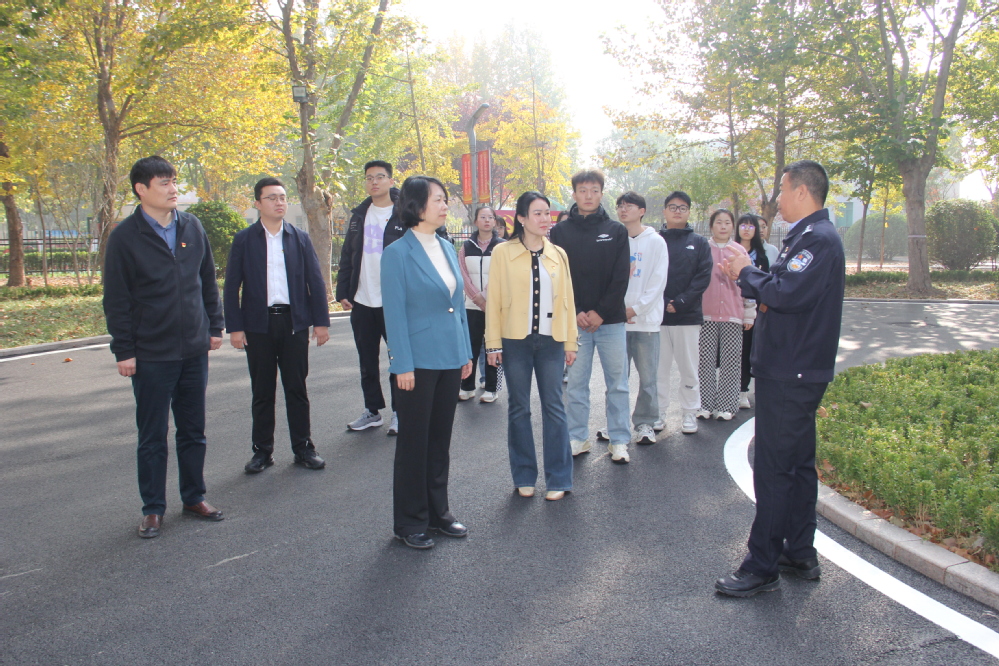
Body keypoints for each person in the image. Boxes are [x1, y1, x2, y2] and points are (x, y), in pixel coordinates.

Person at [715, 160, 845, 597]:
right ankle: (799, 551)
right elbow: (781, 286)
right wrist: (751, 276)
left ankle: (762, 564)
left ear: (803, 192)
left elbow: (785, 293)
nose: (779, 199)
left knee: (773, 467)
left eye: (784, 190)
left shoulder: (818, 239)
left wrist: (744, 271)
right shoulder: (806, 237)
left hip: (792, 368)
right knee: (798, 464)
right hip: (793, 365)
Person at [103, 156, 225, 539]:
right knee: (153, 436)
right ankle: (153, 509)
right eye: (164, 183)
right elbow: (117, 299)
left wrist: (215, 325)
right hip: (152, 354)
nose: (173, 189)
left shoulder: (192, 226)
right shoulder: (125, 237)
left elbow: (207, 280)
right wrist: (124, 350)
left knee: (193, 430)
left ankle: (194, 497)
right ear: (141, 189)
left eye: (174, 181)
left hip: (193, 349)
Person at [381, 175, 473, 550]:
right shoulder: (397, 253)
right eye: (438, 199)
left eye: (445, 199)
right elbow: (394, 314)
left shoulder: (447, 247)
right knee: (413, 444)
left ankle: (439, 513)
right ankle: (410, 521)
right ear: (416, 205)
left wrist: (465, 352)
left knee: (439, 441)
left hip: (450, 357)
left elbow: (458, 306)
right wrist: (401, 363)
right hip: (416, 363)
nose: (444, 205)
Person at [224, 177, 330, 474]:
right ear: (257, 204)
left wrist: (321, 322)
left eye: (282, 197)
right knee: (262, 391)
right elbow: (232, 285)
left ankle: (303, 448)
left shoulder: (299, 238)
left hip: (294, 323)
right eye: (271, 198)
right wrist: (235, 327)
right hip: (258, 325)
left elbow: (315, 281)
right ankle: (262, 451)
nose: (279, 202)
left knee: (297, 388)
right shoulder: (244, 240)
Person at [335, 160, 450, 436]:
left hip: (395, 301)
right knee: (367, 360)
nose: (374, 182)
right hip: (363, 300)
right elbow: (348, 254)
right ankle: (372, 410)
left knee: (398, 357)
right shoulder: (359, 215)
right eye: (369, 178)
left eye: (380, 177)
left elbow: (436, 242)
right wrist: (344, 291)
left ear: (390, 180)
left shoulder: (405, 211)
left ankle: (400, 411)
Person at [485, 191, 577, 501]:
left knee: (554, 407)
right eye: (537, 213)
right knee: (519, 408)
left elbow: (568, 300)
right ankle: (524, 475)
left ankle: (559, 478)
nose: (544, 219)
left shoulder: (559, 254)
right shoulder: (503, 252)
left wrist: (570, 341)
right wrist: (493, 344)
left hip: (551, 341)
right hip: (515, 341)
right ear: (522, 218)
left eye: (547, 213)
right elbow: (494, 301)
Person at [549, 170, 632, 464]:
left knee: (618, 383)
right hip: (575, 322)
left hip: (611, 321)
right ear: (574, 194)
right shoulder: (560, 232)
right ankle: (577, 437)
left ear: (601, 194)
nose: (588, 195)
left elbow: (621, 277)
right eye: (583, 190)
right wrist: (578, 311)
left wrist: (601, 312)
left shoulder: (616, 230)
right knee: (576, 383)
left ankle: (619, 440)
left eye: (594, 190)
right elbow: (558, 277)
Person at [596, 192, 668, 446]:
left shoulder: (656, 242)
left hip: (646, 321)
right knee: (616, 379)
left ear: (642, 211)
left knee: (648, 378)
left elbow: (658, 282)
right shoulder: (613, 239)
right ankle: (616, 424)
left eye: (629, 206)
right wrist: (614, 309)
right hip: (615, 322)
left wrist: (635, 309)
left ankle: (646, 423)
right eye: (620, 206)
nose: (623, 209)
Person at [657, 191, 712, 435]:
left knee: (689, 368)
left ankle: (690, 412)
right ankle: (658, 412)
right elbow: (649, 276)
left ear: (689, 212)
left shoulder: (699, 243)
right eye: (673, 207)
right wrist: (662, 302)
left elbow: (703, 277)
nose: (677, 211)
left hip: (688, 316)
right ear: (665, 211)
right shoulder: (655, 240)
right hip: (658, 317)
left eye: (682, 207)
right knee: (658, 369)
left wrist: (680, 301)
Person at [697, 209, 756, 422]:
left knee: (731, 362)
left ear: (733, 226)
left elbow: (750, 283)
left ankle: (727, 406)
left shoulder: (739, 251)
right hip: (705, 315)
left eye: (727, 222)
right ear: (711, 226)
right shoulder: (703, 249)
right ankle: (704, 404)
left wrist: (749, 314)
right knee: (705, 362)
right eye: (718, 222)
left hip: (733, 314)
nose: (723, 226)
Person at [458, 205, 505, 402]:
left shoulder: (502, 246)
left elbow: (502, 274)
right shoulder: (466, 246)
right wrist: (477, 297)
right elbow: (462, 273)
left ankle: (492, 388)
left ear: (495, 221)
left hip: (496, 306)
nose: (486, 220)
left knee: (494, 347)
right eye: (482, 217)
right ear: (475, 220)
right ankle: (467, 386)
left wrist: (488, 297)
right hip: (471, 305)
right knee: (470, 346)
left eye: (490, 217)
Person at [736, 214, 770, 409]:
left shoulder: (761, 256)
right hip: (730, 308)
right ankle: (725, 391)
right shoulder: (731, 250)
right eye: (743, 225)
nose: (747, 229)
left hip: (752, 311)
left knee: (747, 351)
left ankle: (742, 391)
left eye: (751, 226)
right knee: (729, 352)